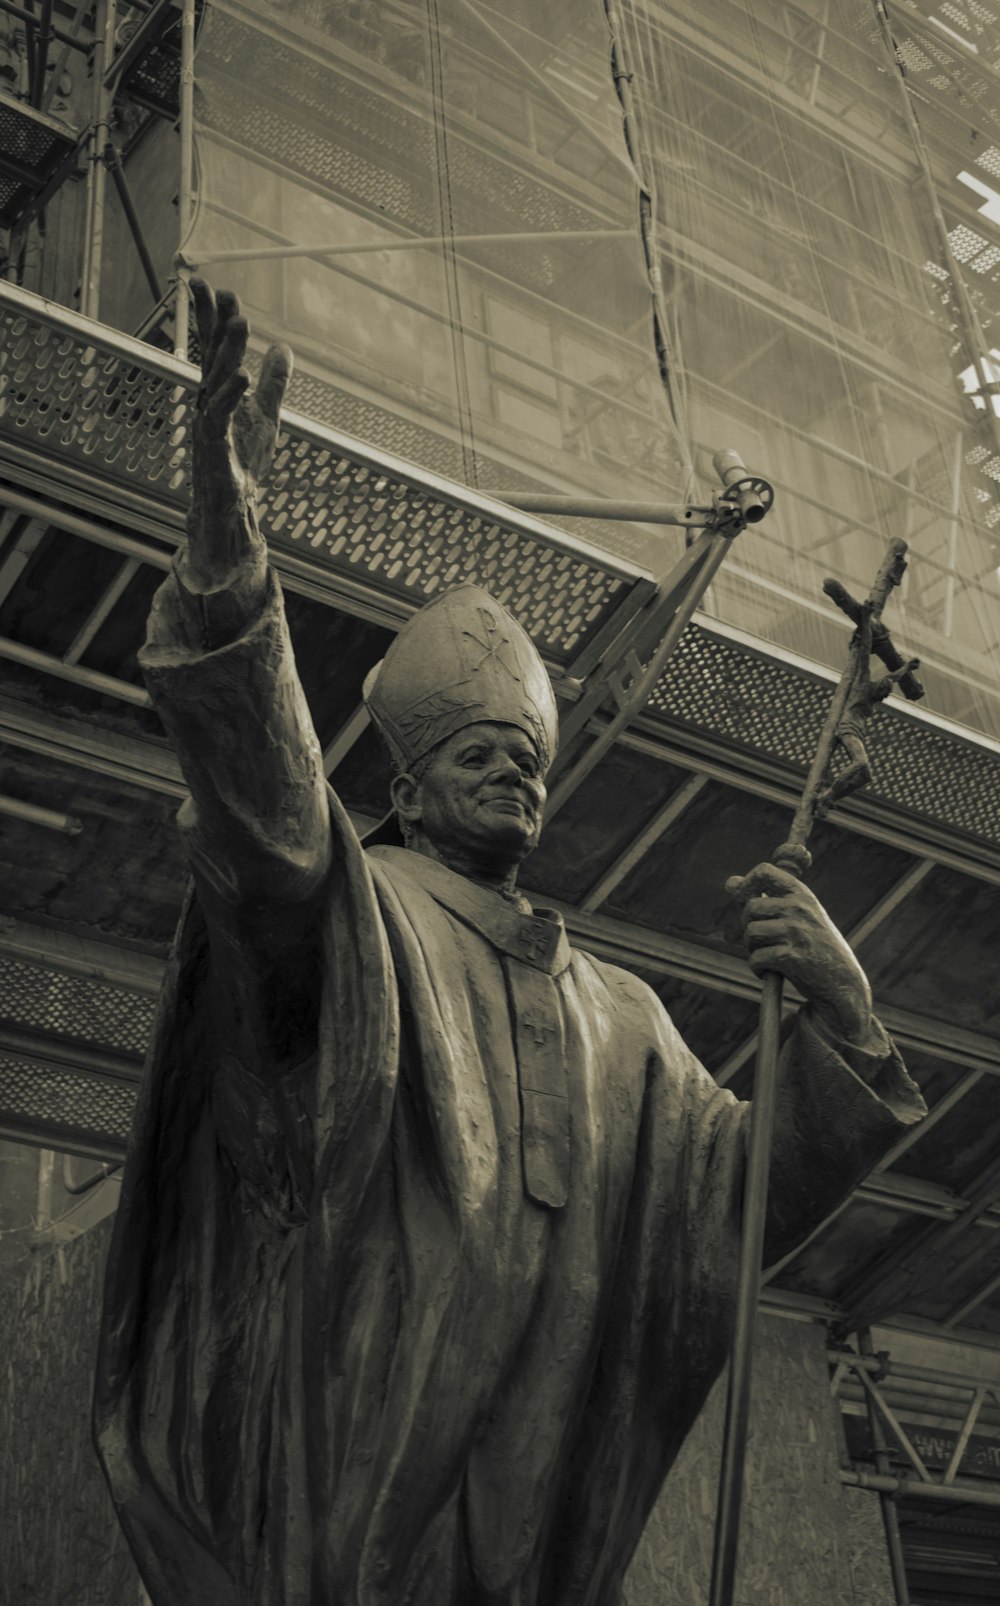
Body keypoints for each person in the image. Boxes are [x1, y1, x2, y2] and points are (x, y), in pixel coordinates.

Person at [94, 283, 925, 1606]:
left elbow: (738, 1201)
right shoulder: (367, 913)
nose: (510, 778)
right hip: (366, 1468)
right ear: (409, 790)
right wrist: (227, 561)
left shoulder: (626, 1020)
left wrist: (847, 1016)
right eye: (475, 755)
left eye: (527, 762)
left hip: (538, 1514)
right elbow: (273, 825)